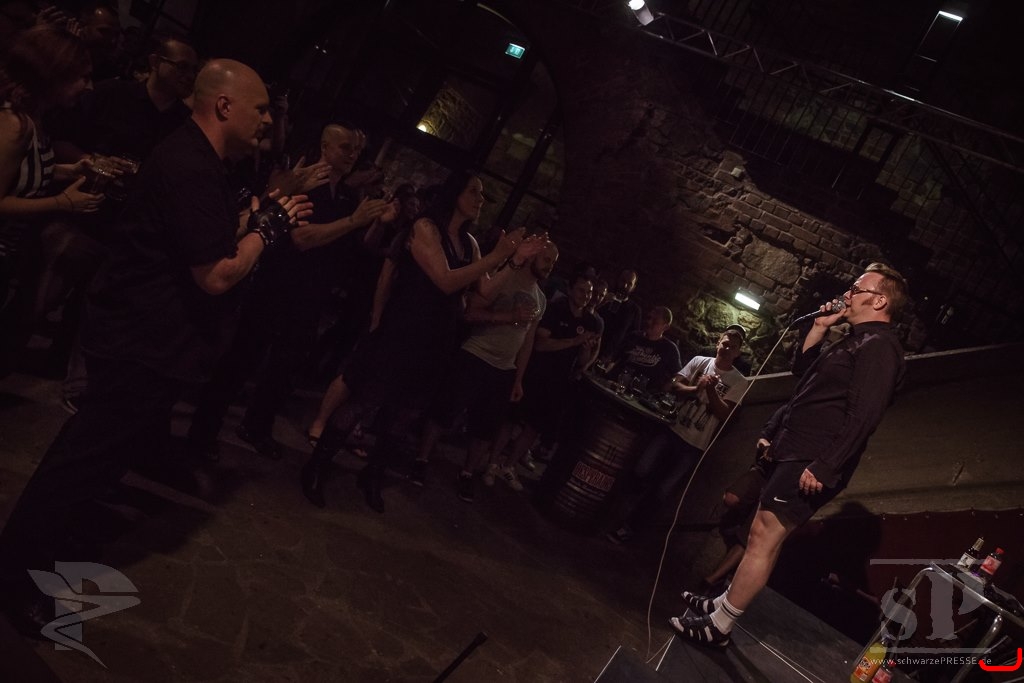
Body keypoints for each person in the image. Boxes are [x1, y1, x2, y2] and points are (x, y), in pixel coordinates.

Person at [0, 58, 311, 634]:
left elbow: (202, 239)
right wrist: (267, 231)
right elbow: (215, 274)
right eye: (261, 108)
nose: (268, 120)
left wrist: (255, 218)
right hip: (142, 340)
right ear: (224, 105)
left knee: (101, 461)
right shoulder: (189, 164)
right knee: (79, 462)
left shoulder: (201, 161)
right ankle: (14, 575)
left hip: (156, 341)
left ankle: (50, 549)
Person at [670, 263, 908, 648]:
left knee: (764, 537)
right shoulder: (854, 340)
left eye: (856, 288)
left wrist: (826, 464)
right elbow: (805, 377)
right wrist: (819, 328)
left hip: (811, 459)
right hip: (793, 450)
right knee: (759, 534)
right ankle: (722, 606)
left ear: (880, 301)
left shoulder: (880, 347)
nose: (848, 294)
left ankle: (720, 626)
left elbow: (864, 415)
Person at [299, 171, 543, 512]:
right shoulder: (425, 228)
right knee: (366, 401)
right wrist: (497, 254)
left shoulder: (469, 243)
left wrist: (514, 260)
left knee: (405, 413)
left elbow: (485, 289)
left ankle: (373, 474)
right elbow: (445, 280)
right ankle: (317, 466)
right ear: (454, 193)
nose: (480, 199)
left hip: (436, 339)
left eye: (482, 194)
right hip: (404, 329)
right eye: (474, 191)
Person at [186, 121, 386, 460]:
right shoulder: (306, 183)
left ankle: (256, 426)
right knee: (241, 361)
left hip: (311, 295)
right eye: (345, 148)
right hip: (276, 287)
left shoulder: (345, 195)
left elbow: (354, 244)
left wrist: (375, 219)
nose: (352, 155)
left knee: (284, 368)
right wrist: (352, 221)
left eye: (356, 150)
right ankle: (202, 432)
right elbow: (301, 238)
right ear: (325, 148)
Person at [417, 240, 557, 503]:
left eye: (553, 262)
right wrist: (510, 316)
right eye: (547, 259)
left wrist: (518, 379)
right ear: (531, 256)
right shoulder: (503, 279)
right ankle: (421, 459)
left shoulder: (540, 298)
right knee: (444, 413)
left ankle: (467, 473)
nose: (550, 266)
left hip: (504, 370)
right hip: (475, 355)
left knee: (485, 429)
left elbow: (527, 342)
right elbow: (470, 313)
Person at [0, 25, 102, 374]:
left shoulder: (34, 118)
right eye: (82, 77)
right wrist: (62, 203)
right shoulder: (14, 125)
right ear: (53, 74)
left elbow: (23, 172)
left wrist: (69, 170)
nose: (88, 86)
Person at [608, 324, 748, 543]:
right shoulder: (700, 361)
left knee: (663, 489)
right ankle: (612, 513)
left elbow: (725, 414)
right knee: (641, 469)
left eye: (733, 347)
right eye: (725, 344)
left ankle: (629, 529)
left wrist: (711, 391)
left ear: (738, 352)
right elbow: (673, 386)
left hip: (694, 444)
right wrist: (696, 389)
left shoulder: (739, 382)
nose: (727, 349)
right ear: (718, 343)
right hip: (672, 428)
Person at [486, 272, 602, 488]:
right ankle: (491, 463)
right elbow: (541, 344)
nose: (585, 295)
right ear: (570, 289)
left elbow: (582, 360)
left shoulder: (590, 321)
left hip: (560, 382)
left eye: (589, 292)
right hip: (537, 374)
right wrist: (574, 340)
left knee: (534, 427)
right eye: (581, 290)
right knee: (512, 420)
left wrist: (585, 350)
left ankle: (508, 466)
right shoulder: (555, 309)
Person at [605, 306, 682, 393]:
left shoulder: (669, 349)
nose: (649, 322)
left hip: (641, 395)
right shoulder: (633, 336)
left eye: (655, 321)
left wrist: (669, 384)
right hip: (615, 386)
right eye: (649, 318)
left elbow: (678, 375)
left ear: (665, 327)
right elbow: (614, 358)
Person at [596, 268, 641, 362]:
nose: (625, 286)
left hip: (609, 358)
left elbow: (633, 338)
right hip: (590, 347)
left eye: (629, 284)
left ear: (633, 287)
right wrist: (603, 302)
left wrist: (615, 357)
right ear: (617, 280)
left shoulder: (634, 310)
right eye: (623, 281)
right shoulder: (602, 297)